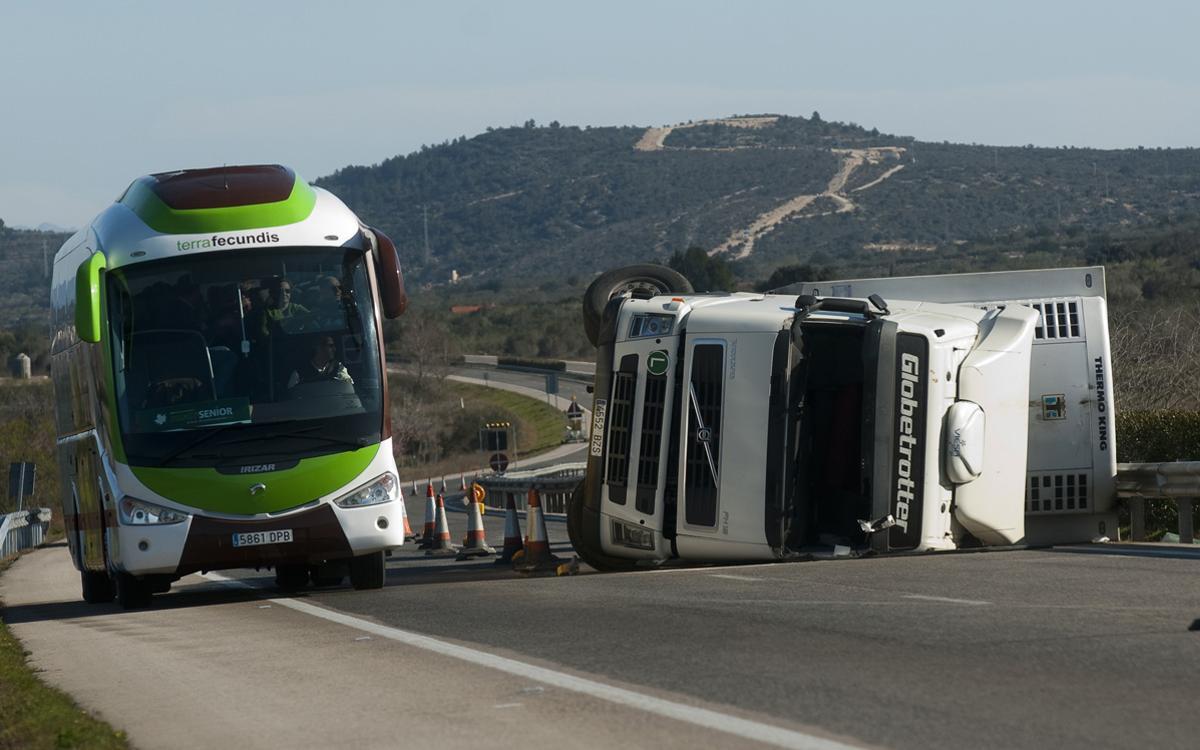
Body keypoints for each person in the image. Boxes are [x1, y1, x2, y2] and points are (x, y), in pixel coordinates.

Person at [287, 336, 353, 390]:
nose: (334, 349)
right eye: (330, 346)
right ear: (318, 348)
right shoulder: (299, 373)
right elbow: (292, 395)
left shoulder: (338, 368)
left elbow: (349, 387)